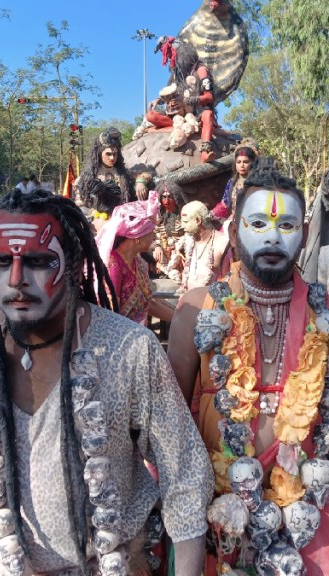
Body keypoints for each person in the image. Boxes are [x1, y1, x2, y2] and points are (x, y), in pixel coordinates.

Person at [0, 189, 211, 576]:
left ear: (75, 263)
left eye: (38, 261)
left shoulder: (128, 349)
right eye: (0, 261)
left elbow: (185, 475)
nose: (17, 280)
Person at [167, 162, 329, 573]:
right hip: (220, 523)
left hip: (309, 521)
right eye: (258, 222)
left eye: (287, 225)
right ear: (234, 233)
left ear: (305, 234)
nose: (273, 236)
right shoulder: (195, 309)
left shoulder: (324, 312)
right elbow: (169, 428)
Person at [95, 197, 175, 325]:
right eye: (151, 232)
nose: (154, 237)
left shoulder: (137, 261)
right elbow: (109, 314)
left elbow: (148, 303)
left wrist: (181, 317)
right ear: (137, 237)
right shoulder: (113, 265)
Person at [175, 200, 230, 293]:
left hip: (211, 303)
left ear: (198, 220)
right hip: (189, 299)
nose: (182, 225)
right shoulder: (188, 241)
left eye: (185, 221)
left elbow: (229, 281)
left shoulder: (222, 243)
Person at [74, 128, 133, 206]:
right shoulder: (87, 178)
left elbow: (139, 175)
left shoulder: (123, 174)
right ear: (99, 153)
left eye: (115, 154)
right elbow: (80, 204)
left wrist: (141, 181)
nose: (112, 158)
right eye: (108, 154)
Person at [212, 143, 257, 220]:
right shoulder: (232, 182)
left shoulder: (259, 183)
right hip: (234, 220)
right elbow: (225, 204)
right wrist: (210, 214)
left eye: (245, 162)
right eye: (238, 162)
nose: (242, 165)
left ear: (252, 163)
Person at [153, 181, 187, 281]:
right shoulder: (156, 215)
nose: (166, 202)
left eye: (170, 197)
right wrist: (156, 246)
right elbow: (150, 236)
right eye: (163, 197)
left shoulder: (184, 213)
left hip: (181, 253)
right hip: (162, 254)